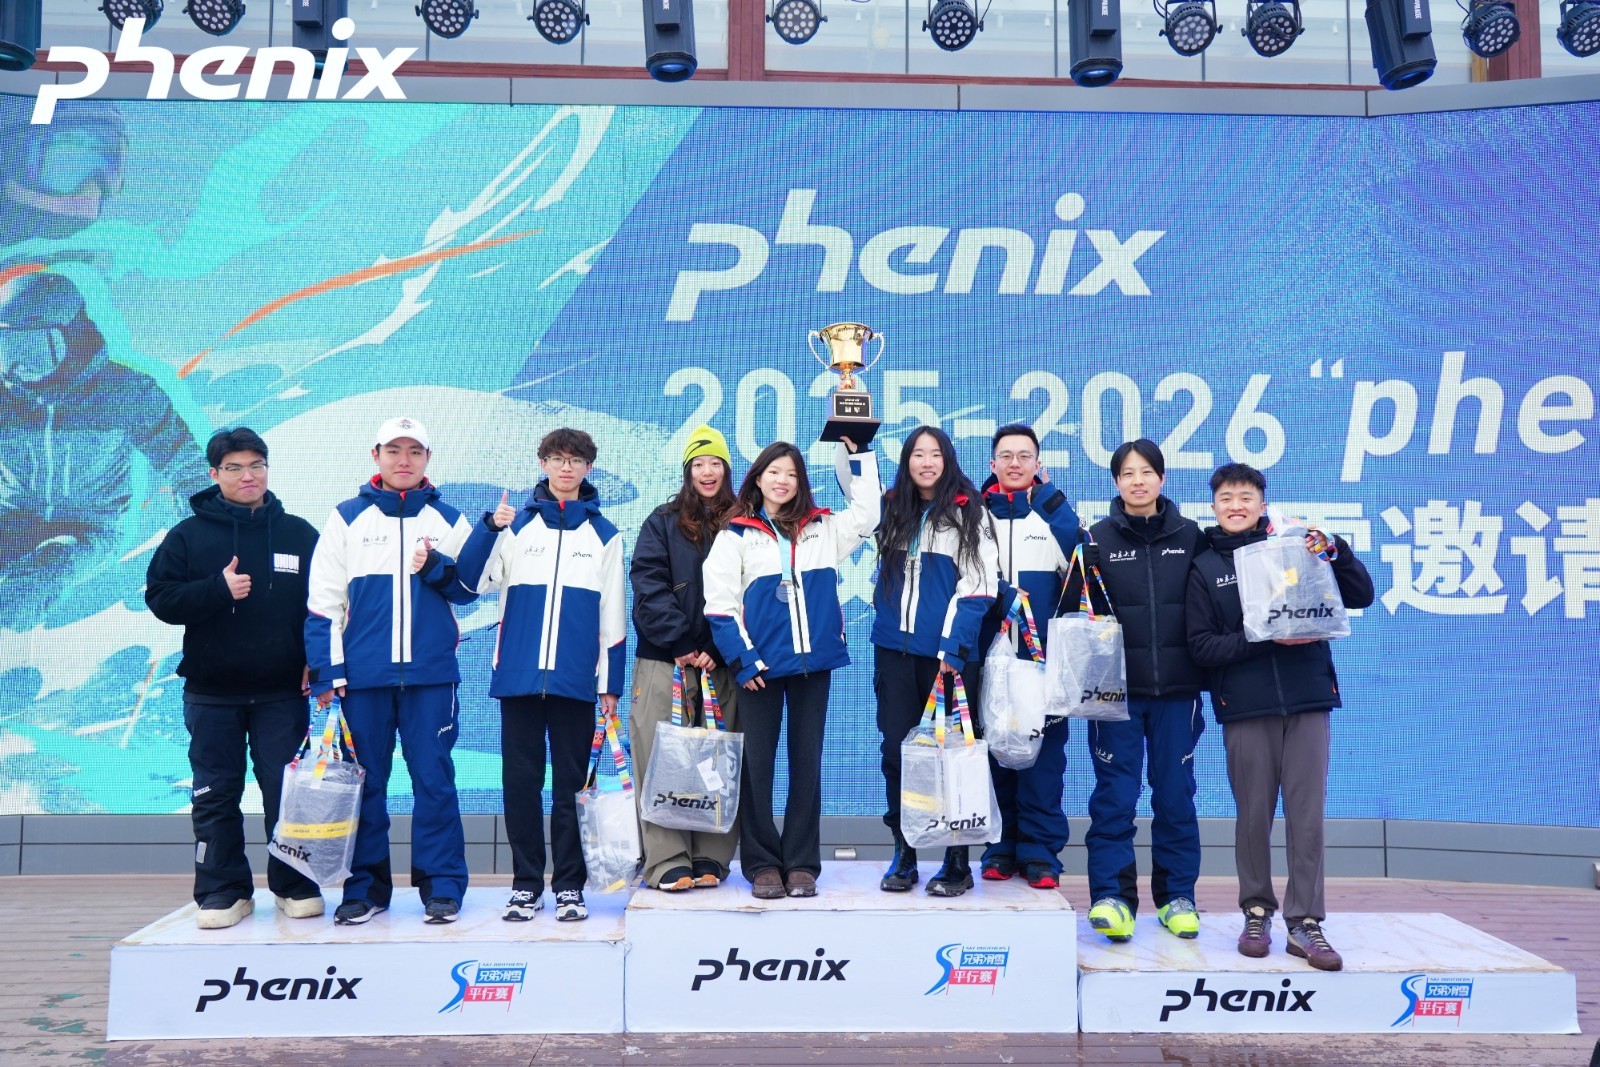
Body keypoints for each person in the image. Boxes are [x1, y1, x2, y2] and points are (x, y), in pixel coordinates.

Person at [1186, 462, 1374, 971]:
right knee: (1253, 818)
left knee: (1307, 817)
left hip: (1308, 698)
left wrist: (1335, 550)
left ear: (1262, 504)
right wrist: (1265, 634)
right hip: (1245, 707)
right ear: (1214, 507)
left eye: (1246, 497)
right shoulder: (1205, 566)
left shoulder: (1297, 547)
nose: (1236, 506)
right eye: (1227, 498)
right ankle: (1256, 911)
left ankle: (1305, 921)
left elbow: (1360, 595)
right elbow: (1202, 646)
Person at [144, 427, 321, 929]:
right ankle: (224, 891)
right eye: (235, 468)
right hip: (212, 694)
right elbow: (161, 599)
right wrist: (217, 590)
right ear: (214, 474)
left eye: (256, 465)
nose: (248, 476)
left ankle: (294, 885)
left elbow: (327, 603)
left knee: (287, 795)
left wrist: (316, 658)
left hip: (282, 693)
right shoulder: (187, 535)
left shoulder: (299, 534)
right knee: (215, 795)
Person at [305, 417, 477, 926]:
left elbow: (472, 589)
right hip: (363, 679)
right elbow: (323, 602)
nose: (404, 460)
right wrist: (327, 673)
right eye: (394, 450)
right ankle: (365, 888)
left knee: (434, 782)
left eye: (415, 451)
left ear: (428, 459)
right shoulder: (347, 517)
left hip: (431, 677)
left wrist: (439, 567)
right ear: (375, 455)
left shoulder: (449, 519)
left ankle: (442, 887)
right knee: (364, 784)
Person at [456, 427, 627, 924]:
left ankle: (570, 886)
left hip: (576, 681)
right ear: (543, 463)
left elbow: (613, 615)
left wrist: (609, 685)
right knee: (521, 786)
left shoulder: (605, 534)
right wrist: (489, 528)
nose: (566, 467)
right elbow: (471, 582)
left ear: (588, 468)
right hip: (520, 679)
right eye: (557, 458)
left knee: (573, 788)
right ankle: (526, 885)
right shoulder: (515, 526)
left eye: (575, 460)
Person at [704, 438, 880, 899]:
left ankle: (801, 862)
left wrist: (859, 452)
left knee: (807, 765)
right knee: (756, 768)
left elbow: (869, 515)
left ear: (801, 482)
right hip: (760, 669)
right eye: (774, 472)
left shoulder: (823, 528)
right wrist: (744, 661)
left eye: (792, 474)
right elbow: (719, 607)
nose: (782, 481)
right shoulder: (735, 535)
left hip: (812, 666)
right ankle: (762, 863)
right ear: (758, 478)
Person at [1073, 439, 1207, 943]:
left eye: (1147, 471)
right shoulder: (1096, 539)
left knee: (1175, 797)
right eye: (1127, 473)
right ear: (1116, 482)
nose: (1137, 481)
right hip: (1115, 696)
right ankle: (1113, 898)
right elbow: (1076, 613)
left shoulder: (1190, 536)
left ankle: (1177, 899)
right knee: (1115, 797)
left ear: (1162, 479)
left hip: (1178, 692)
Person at [873, 426, 999, 897]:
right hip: (894, 651)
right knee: (897, 754)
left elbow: (980, 585)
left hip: (947, 658)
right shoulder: (892, 509)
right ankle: (905, 852)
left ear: (948, 460)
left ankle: (957, 860)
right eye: (917, 455)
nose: (926, 463)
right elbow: (854, 490)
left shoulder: (969, 511)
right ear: (906, 461)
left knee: (953, 757)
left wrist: (953, 647)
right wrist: (852, 444)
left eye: (935, 454)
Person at [629, 425, 741, 893]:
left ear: (727, 470)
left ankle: (711, 854)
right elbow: (647, 583)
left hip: (722, 663)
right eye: (699, 463)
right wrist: (678, 641)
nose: (707, 471)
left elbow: (750, 591)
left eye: (715, 463)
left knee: (718, 758)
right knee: (662, 758)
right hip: (666, 661)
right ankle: (666, 860)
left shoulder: (745, 522)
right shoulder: (661, 521)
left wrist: (718, 647)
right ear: (687, 471)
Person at [974, 423, 1083, 892]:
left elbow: (1082, 568)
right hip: (988, 660)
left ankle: (1040, 854)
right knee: (993, 752)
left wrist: (1054, 504)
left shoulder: (1054, 514)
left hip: (1043, 663)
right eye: (1006, 455)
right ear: (993, 464)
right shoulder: (974, 516)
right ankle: (998, 848)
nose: (1015, 463)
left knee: (1044, 761)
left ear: (1039, 464)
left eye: (1024, 456)